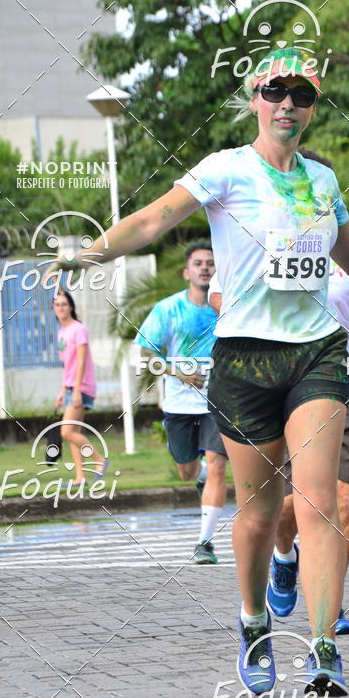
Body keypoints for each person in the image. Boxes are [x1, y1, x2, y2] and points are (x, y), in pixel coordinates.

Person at [49, 47, 349, 698]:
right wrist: (89, 252)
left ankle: (324, 648)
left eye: (301, 94)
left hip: (316, 353)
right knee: (256, 514)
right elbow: (156, 217)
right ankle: (252, 621)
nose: (288, 104)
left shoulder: (323, 182)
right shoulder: (226, 171)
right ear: (255, 98)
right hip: (244, 358)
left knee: (320, 504)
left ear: (312, 106)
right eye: (276, 91)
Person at [207, 151, 349, 636]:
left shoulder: (348, 243)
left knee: (341, 500)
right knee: (279, 507)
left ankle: (328, 607)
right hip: (269, 382)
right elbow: (220, 292)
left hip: (338, 383)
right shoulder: (257, 236)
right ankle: (283, 554)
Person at [135, 241, 228, 565]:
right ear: (186, 272)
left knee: (218, 465)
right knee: (186, 472)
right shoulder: (167, 309)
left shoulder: (230, 306)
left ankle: (205, 543)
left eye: (211, 263)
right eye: (199, 263)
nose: (205, 268)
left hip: (219, 401)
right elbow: (146, 357)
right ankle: (196, 469)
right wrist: (178, 372)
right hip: (179, 405)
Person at [54, 288, 108, 487]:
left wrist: (76, 390)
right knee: (74, 432)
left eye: (64, 304)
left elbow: (82, 362)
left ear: (71, 307)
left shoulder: (78, 329)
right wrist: (62, 390)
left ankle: (99, 460)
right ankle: (80, 477)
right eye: (57, 305)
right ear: (54, 308)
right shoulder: (62, 331)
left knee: (66, 432)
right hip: (69, 386)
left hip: (81, 386)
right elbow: (67, 364)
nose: (61, 308)